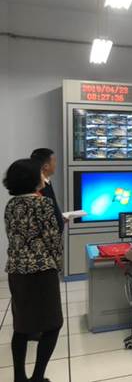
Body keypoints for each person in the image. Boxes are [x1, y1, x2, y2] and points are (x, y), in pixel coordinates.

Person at [3, 159, 63, 382]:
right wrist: (57, 264)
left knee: (22, 326)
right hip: (41, 272)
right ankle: (37, 377)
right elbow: (52, 240)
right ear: (32, 178)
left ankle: (19, 377)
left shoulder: (11, 204)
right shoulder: (43, 204)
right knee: (53, 325)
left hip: (17, 270)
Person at [30, 148, 64, 234]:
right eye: (54, 161)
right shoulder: (38, 188)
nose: (55, 164)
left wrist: (59, 218)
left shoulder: (47, 181)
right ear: (46, 166)